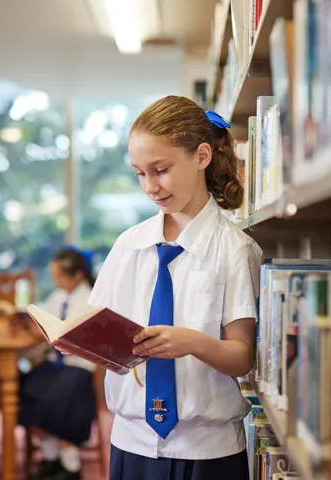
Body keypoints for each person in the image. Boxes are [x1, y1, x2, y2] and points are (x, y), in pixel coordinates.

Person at [88, 96, 262, 480]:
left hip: (207, 452)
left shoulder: (235, 249)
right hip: (130, 442)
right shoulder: (127, 245)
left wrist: (192, 342)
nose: (150, 186)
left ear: (201, 157)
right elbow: (97, 327)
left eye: (161, 170)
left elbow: (241, 358)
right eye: (139, 173)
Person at [19, 247, 97, 480]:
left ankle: (70, 465)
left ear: (77, 276)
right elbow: (48, 323)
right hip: (56, 362)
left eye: (59, 276)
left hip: (79, 364)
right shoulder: (58, 296)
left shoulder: (90, 299)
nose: (55, 281)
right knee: (26, 392)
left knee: (58, 400)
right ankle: (50, 457)